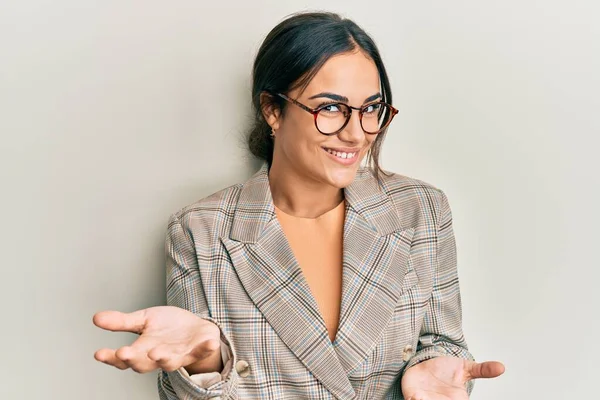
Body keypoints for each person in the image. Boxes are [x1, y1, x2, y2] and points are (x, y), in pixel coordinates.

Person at [93, 11, 505, 399]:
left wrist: (430, 368)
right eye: (330, 107)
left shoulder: (420, 210)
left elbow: (442, 344)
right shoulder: (199, 231)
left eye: (371, 109)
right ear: (273, 110)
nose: (356, 134)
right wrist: (207, 361)